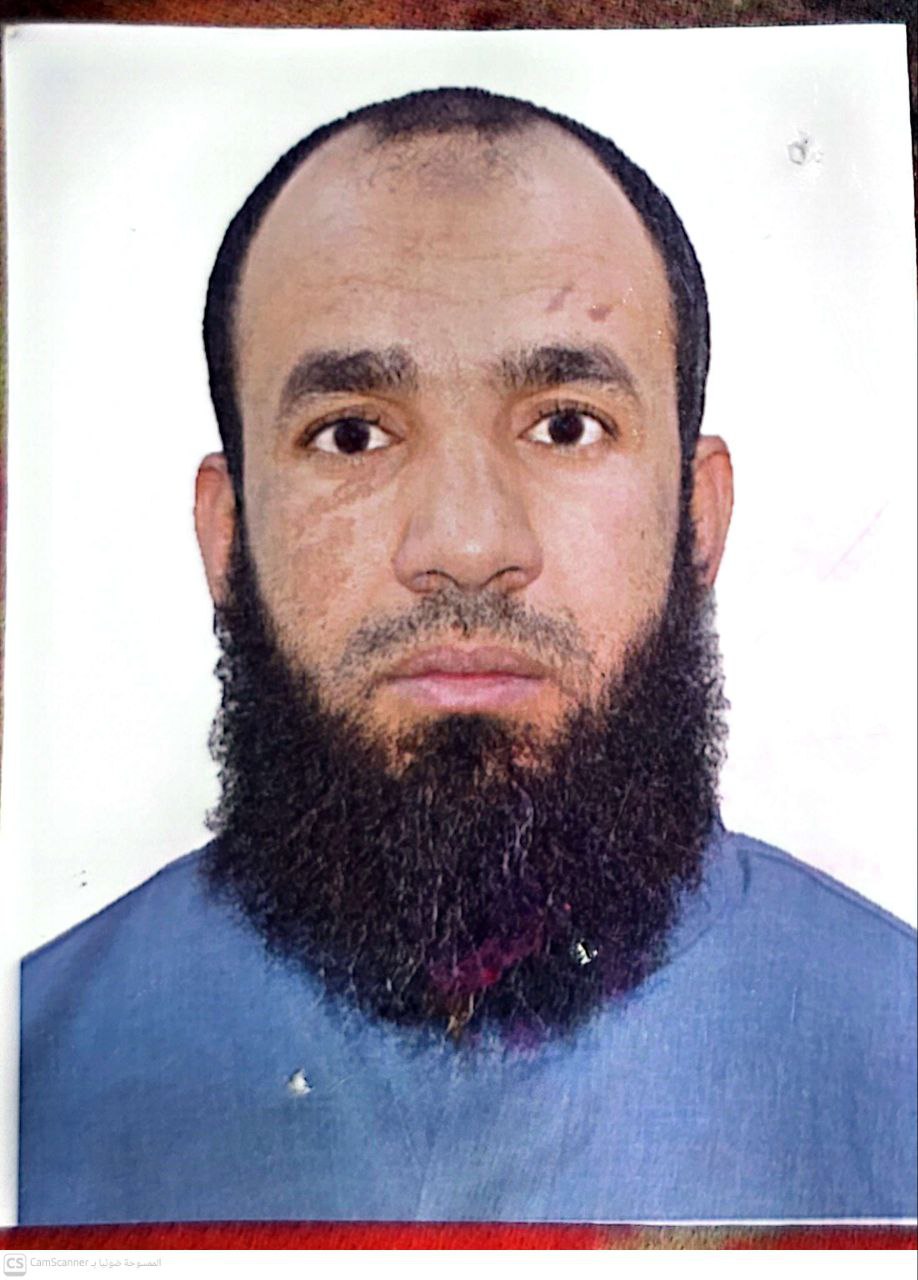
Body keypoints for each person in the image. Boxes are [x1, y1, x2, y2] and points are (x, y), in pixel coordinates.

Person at [18, 87, 916, 1225]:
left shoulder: (898, 1053)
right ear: (227, 535)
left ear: (698, 519)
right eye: (352, 433)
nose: (468, 546)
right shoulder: (31, 1073)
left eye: (566, 425)